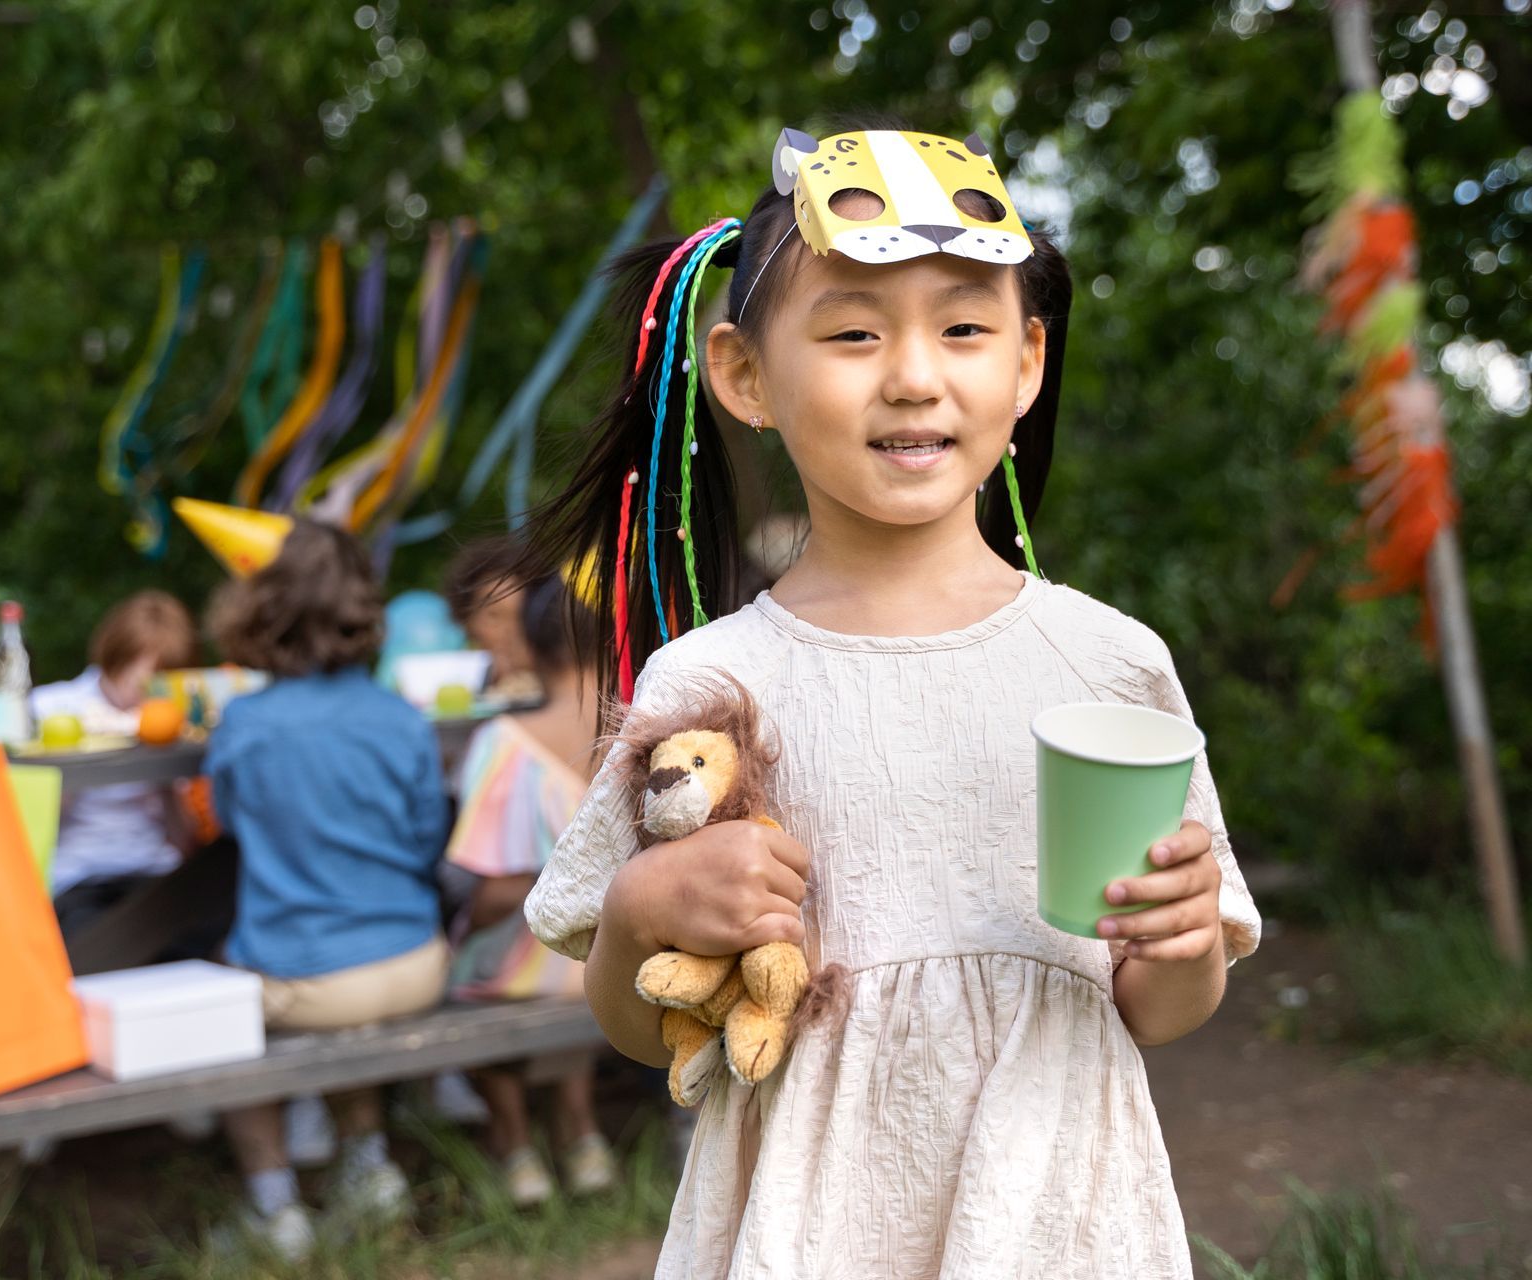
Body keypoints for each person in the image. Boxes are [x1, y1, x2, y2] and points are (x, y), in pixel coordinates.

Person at [520, 115, 1262, 1277]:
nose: (915, 375)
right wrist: (640, 904)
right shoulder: (712, 684)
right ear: (745, 374)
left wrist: (1181, 942)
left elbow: (1159, 1008)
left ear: (1026, 363)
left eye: (965, 328)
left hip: (1058, 1216)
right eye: (856, 332)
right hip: (810, 1227)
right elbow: (634, 1022)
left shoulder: (1113, 665)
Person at [203, 519, 450, 1261]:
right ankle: (368, 1171)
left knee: (219, 1001)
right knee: (339, 998)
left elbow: (227, 825)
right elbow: (425, 841)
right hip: (415, 962)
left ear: (262, 606)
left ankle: (275, 1209)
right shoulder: (400, 718)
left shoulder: (243, 725)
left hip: (311, 977)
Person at [444, 574, 616, 1206]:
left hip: (541, 962)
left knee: (468, 966)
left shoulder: (504, 742)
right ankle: (583, 1136)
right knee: (569, 952)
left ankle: (516, 1149)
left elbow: (499, 889)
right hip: (619, 955)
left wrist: (455, 929)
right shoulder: (646, 727)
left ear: (534, 646)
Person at [31, 590, 196, 935]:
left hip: (155, 874)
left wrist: (163, 772)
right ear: (117, 658)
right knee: (100, 934)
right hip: (83, 877)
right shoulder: (53, 707)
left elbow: (185, 842)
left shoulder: (169, 719)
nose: (149, 694)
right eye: (144, 681)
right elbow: (33, 829)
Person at [442, 535, 542, 702]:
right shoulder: (448, 681)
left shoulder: (559, 682)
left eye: (520, 615)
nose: (509, 630)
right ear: (466, 619)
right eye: (494, 616)